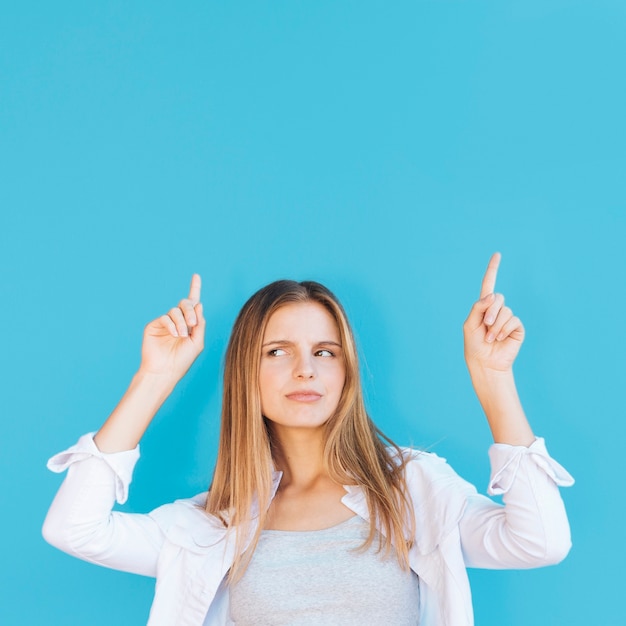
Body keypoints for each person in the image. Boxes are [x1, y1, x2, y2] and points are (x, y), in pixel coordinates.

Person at [43, 253, 574, 626]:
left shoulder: (410, 490)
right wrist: (154, 377)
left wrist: (493, 376)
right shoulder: (213, 524)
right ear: (246, 373)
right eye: (277, 351)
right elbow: (74, 530)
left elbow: (540, 542)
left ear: (345, 371)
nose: (305, 370)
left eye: (324, 351)